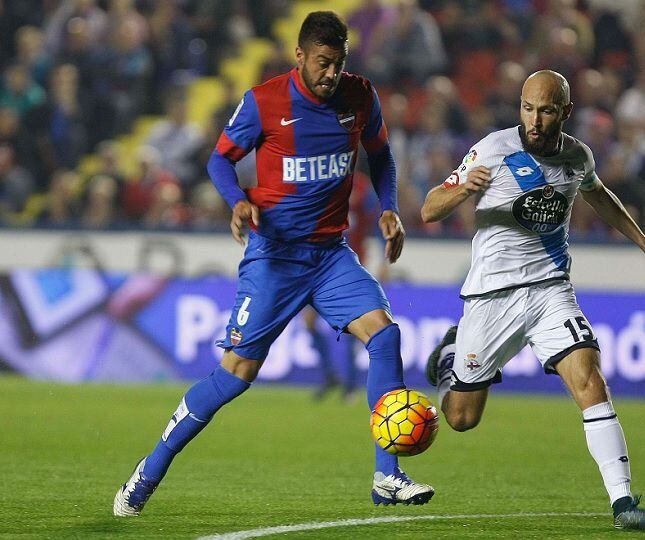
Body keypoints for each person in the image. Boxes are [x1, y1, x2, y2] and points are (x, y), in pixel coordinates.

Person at [113, 11, 433, 517]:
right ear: (300, 56)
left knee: (385, 335)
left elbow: (381, 155)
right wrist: (237, 200)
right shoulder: (265, 102)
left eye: (339, 63)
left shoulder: (360, 95)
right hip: (275, 258)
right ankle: (148, 470)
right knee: (234, 375)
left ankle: (387, 476)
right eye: (323, 62)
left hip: (330, 255)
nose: (331, 73)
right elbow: (219, 159)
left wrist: (389, 207)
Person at [421, 70, 645, 531]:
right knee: (461, 418)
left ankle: (623, 504)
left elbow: (599, 196)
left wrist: (643, 242)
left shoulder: (578, 156)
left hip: (550, 290)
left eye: (545, 110)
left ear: (565, 111)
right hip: (492, 296)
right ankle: (449, 358)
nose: (535, 121)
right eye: (527, 109)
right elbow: (428, 208)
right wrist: (463, 190)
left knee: (590, 380)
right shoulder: (493, 149)